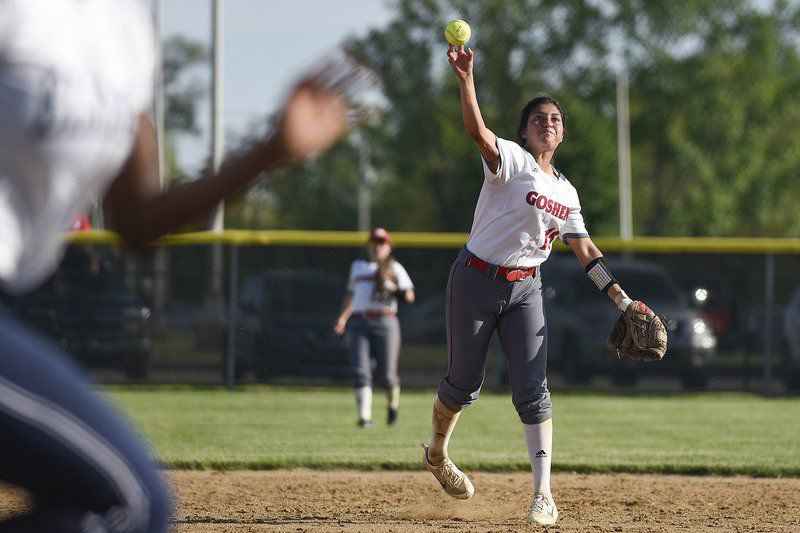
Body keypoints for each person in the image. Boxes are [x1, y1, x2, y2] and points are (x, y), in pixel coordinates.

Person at [0, 1, 356, 530]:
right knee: (130, 503)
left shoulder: (123, 30)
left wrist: (270, 152)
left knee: (124, 504)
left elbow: (136, 220)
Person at [420, 43, 654, 526]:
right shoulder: (511, 161)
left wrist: (623, 300)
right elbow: (477, 132)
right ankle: (439, 455)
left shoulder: (567, 193)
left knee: (534, 391)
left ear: (563, 134)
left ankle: (543, 495)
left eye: (555, 119)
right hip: (475, 280)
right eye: (539, 118)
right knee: (463, 385)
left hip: (527, 288)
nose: (548, 123)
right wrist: (466, 80)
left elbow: (586, 251)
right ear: (525, 131)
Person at [333, 228, 415, 428]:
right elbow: (352, 296)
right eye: (374, 243)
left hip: (385, 321)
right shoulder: (358, 267)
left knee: (387, 375)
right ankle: (364, 418)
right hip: (360, 321)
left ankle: (392, 408)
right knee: (361, 370)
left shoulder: (394, 267)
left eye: (382, 243)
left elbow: (410, 296)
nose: (377, 247)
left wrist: (393, 288)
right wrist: (342, 318)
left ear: (388, 247)